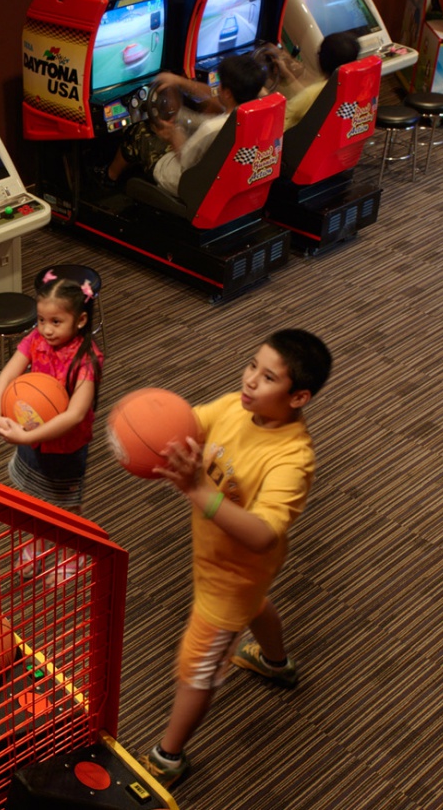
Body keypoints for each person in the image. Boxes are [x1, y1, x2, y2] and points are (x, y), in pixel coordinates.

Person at [139, 329, 333, 789]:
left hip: (234, 575)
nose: (249, 380)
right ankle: (275, 663)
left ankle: (169, 756)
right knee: (257, 604)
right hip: (222, 560)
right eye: (251, 365)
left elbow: (263, 534)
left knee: (197, 670)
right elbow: (188, 424)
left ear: (298, 397)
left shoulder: (292, 459)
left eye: (268, 377)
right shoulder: (235, 406)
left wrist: (197, 489)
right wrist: (149, 429)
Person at [0, 268, 104, 514]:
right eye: (41, 320)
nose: (46, 329)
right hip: (30, 429)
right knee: (31, 494)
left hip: (65, 446)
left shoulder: (86, 359)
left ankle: (71, 537)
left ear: (80, 320)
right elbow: (7, 375)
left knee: (66, 503)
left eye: (56, 322)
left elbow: (75, 414)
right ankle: (35, 532)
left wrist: (27, 438)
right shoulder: (35, 340)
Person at [102, 54, 267, 195]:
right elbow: (215, 102)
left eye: (221, 84)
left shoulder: (211, 128)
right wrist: (179, 83)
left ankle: (108, 178)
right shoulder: (260, 114)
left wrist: (173, 133)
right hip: (228, 179)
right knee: (184, 116)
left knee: (138, 131)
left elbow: (186, 159)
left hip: (186, 181)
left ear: (228, 93)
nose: (217, 87)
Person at [263, 31, 361, 130]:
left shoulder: (313, 94)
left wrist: (262, 91)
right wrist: (287, 71)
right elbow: (307, 94)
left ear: (322, 59)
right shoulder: (352, 85)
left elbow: (276, 121)